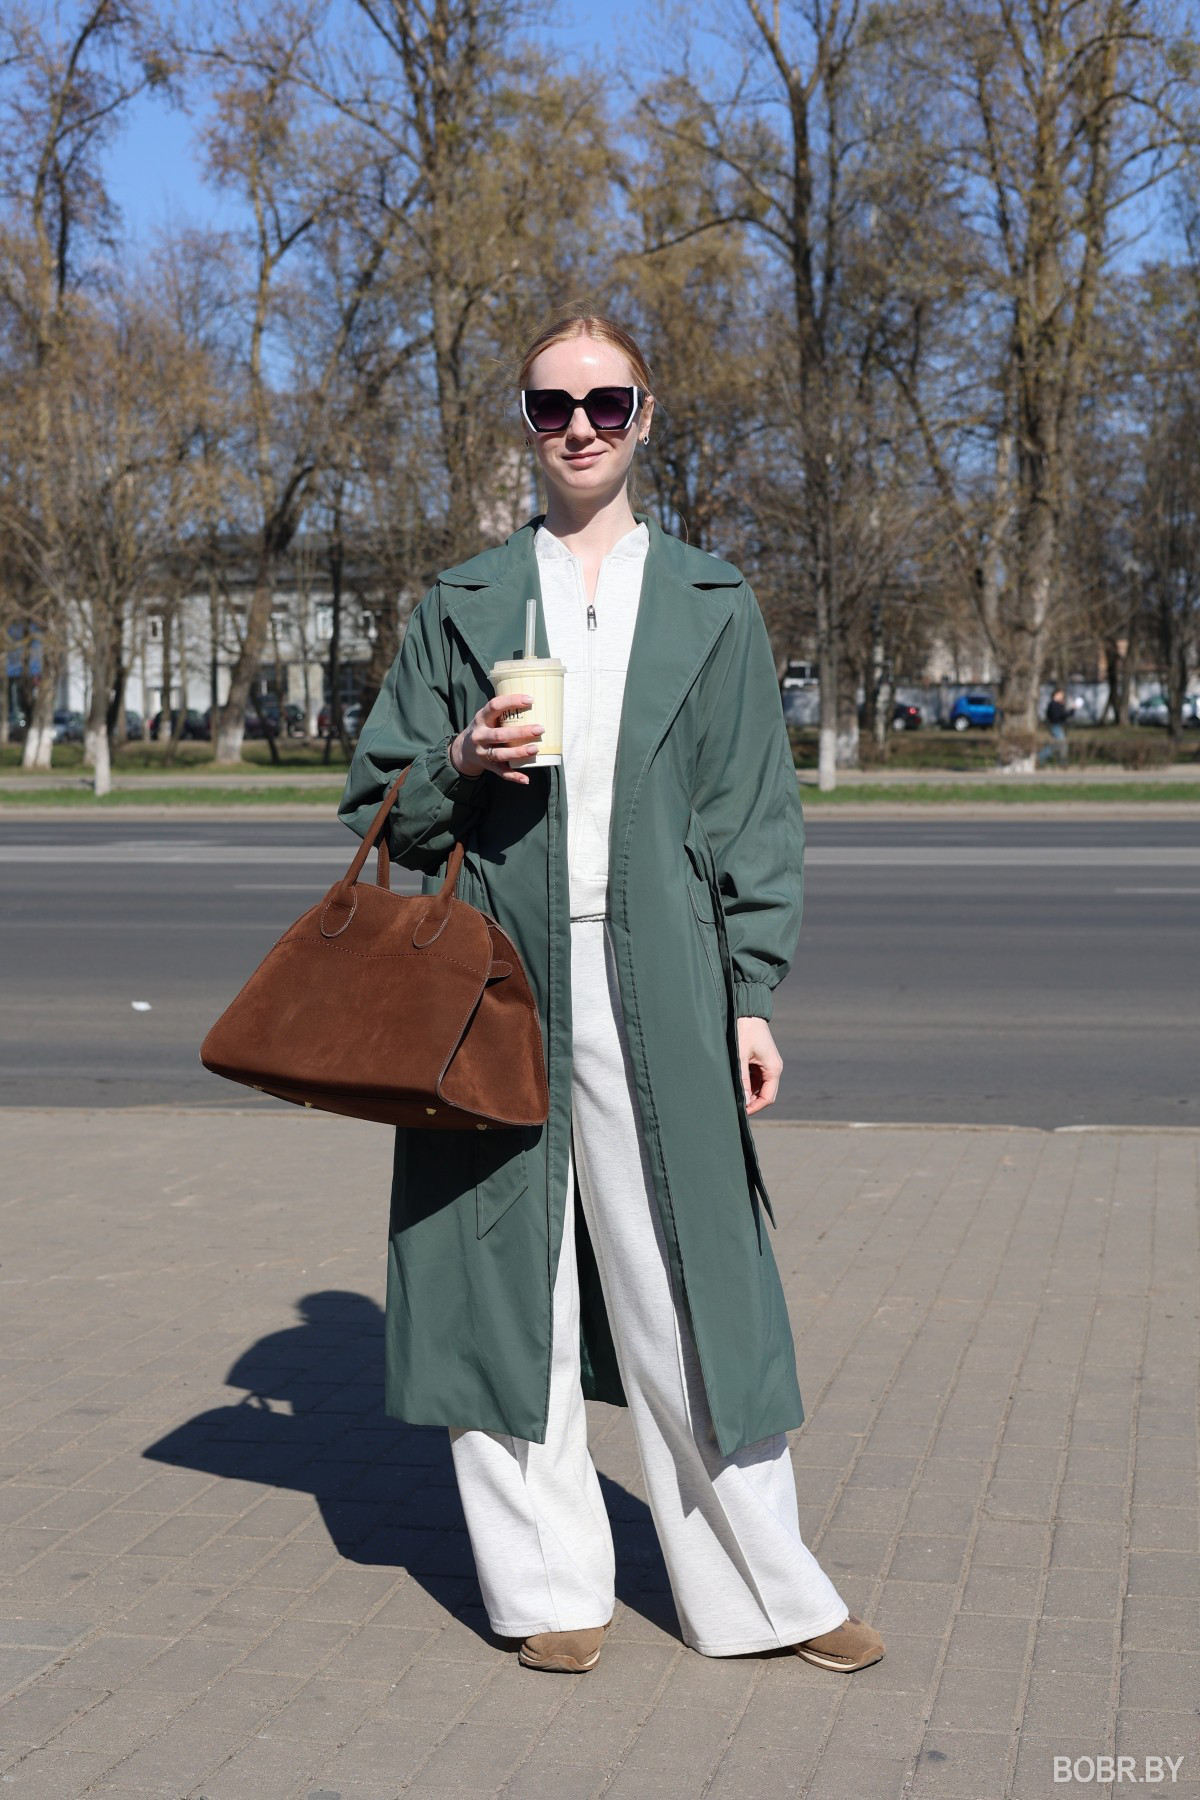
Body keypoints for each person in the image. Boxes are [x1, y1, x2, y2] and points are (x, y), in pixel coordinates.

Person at [339, 312, 884, 1676]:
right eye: (551, 405)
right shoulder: (464, 600)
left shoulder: (711, 599)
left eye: (605, 402)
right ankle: (547, 1591)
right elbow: (378, 803)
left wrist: (750, 993)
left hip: (668, 982)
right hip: (492, 986)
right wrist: (460, 758)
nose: (578, 427)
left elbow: (756, 814)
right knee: (498, 1285)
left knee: (693, 1282)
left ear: (645, 415)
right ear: (523, 423)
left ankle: (765, 1594)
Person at [1037, 686, 1071, 766]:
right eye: (1061, 695)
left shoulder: (1056, 704)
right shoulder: (1053, 705)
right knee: (1060, 744)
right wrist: (1063, 709)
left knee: (1059, 745)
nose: (1062, 697)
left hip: (1057, 726)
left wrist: (1062, 707)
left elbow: (1062, 715)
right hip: (1055, 726)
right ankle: (1039, 757)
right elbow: (1057, 716)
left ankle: (1062, 762)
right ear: (1056, 695)